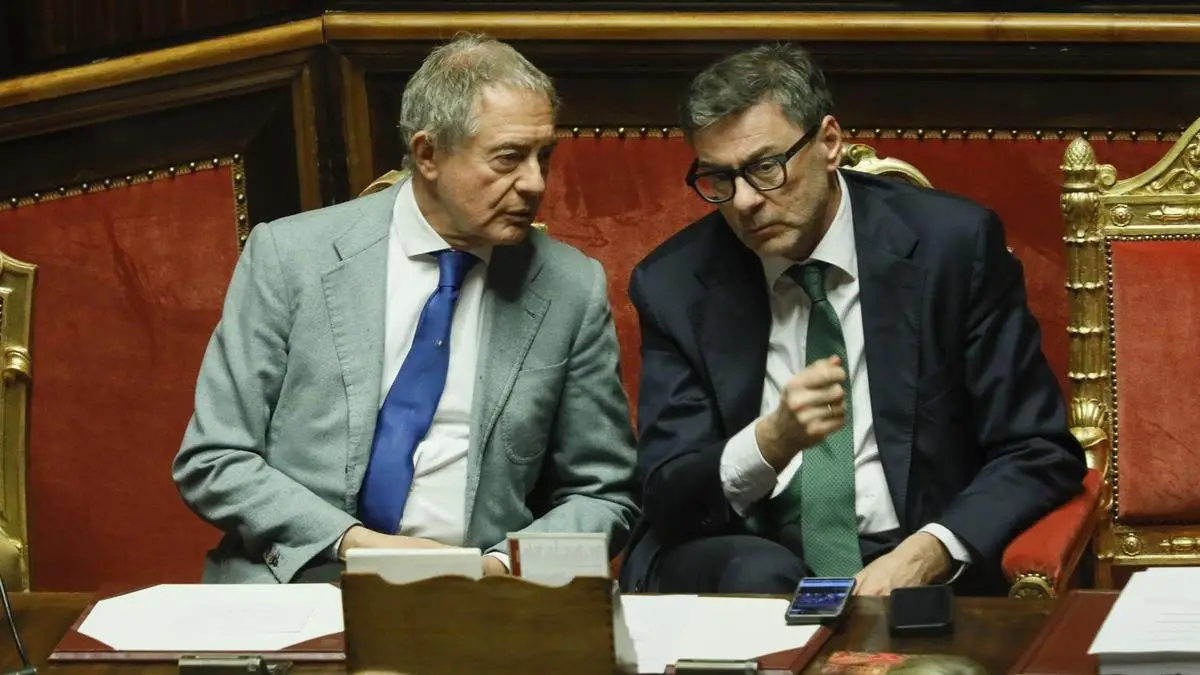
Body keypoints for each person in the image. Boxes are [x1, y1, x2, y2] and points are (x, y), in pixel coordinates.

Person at [619, 42, 1085, 596]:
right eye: (719, 178)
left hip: (908, 550)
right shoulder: (676, 284)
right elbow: (667, 493)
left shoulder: (951, 249)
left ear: (829, 142)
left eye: (766, 168)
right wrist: (769, 441)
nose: (743, 202)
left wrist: (932, 549)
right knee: (761, 575)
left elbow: (1036, 450)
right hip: (749, 560)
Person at [173, 33, 639, 583]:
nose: (534, 183)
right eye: (509, 158)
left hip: (480, 593)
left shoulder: (569, 287)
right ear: (428, 154)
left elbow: (604, 495)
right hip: (303, 574)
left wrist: (500, 567)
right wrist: (356, 544)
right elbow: (214, 459)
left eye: (544, 157)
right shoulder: (290, 257)